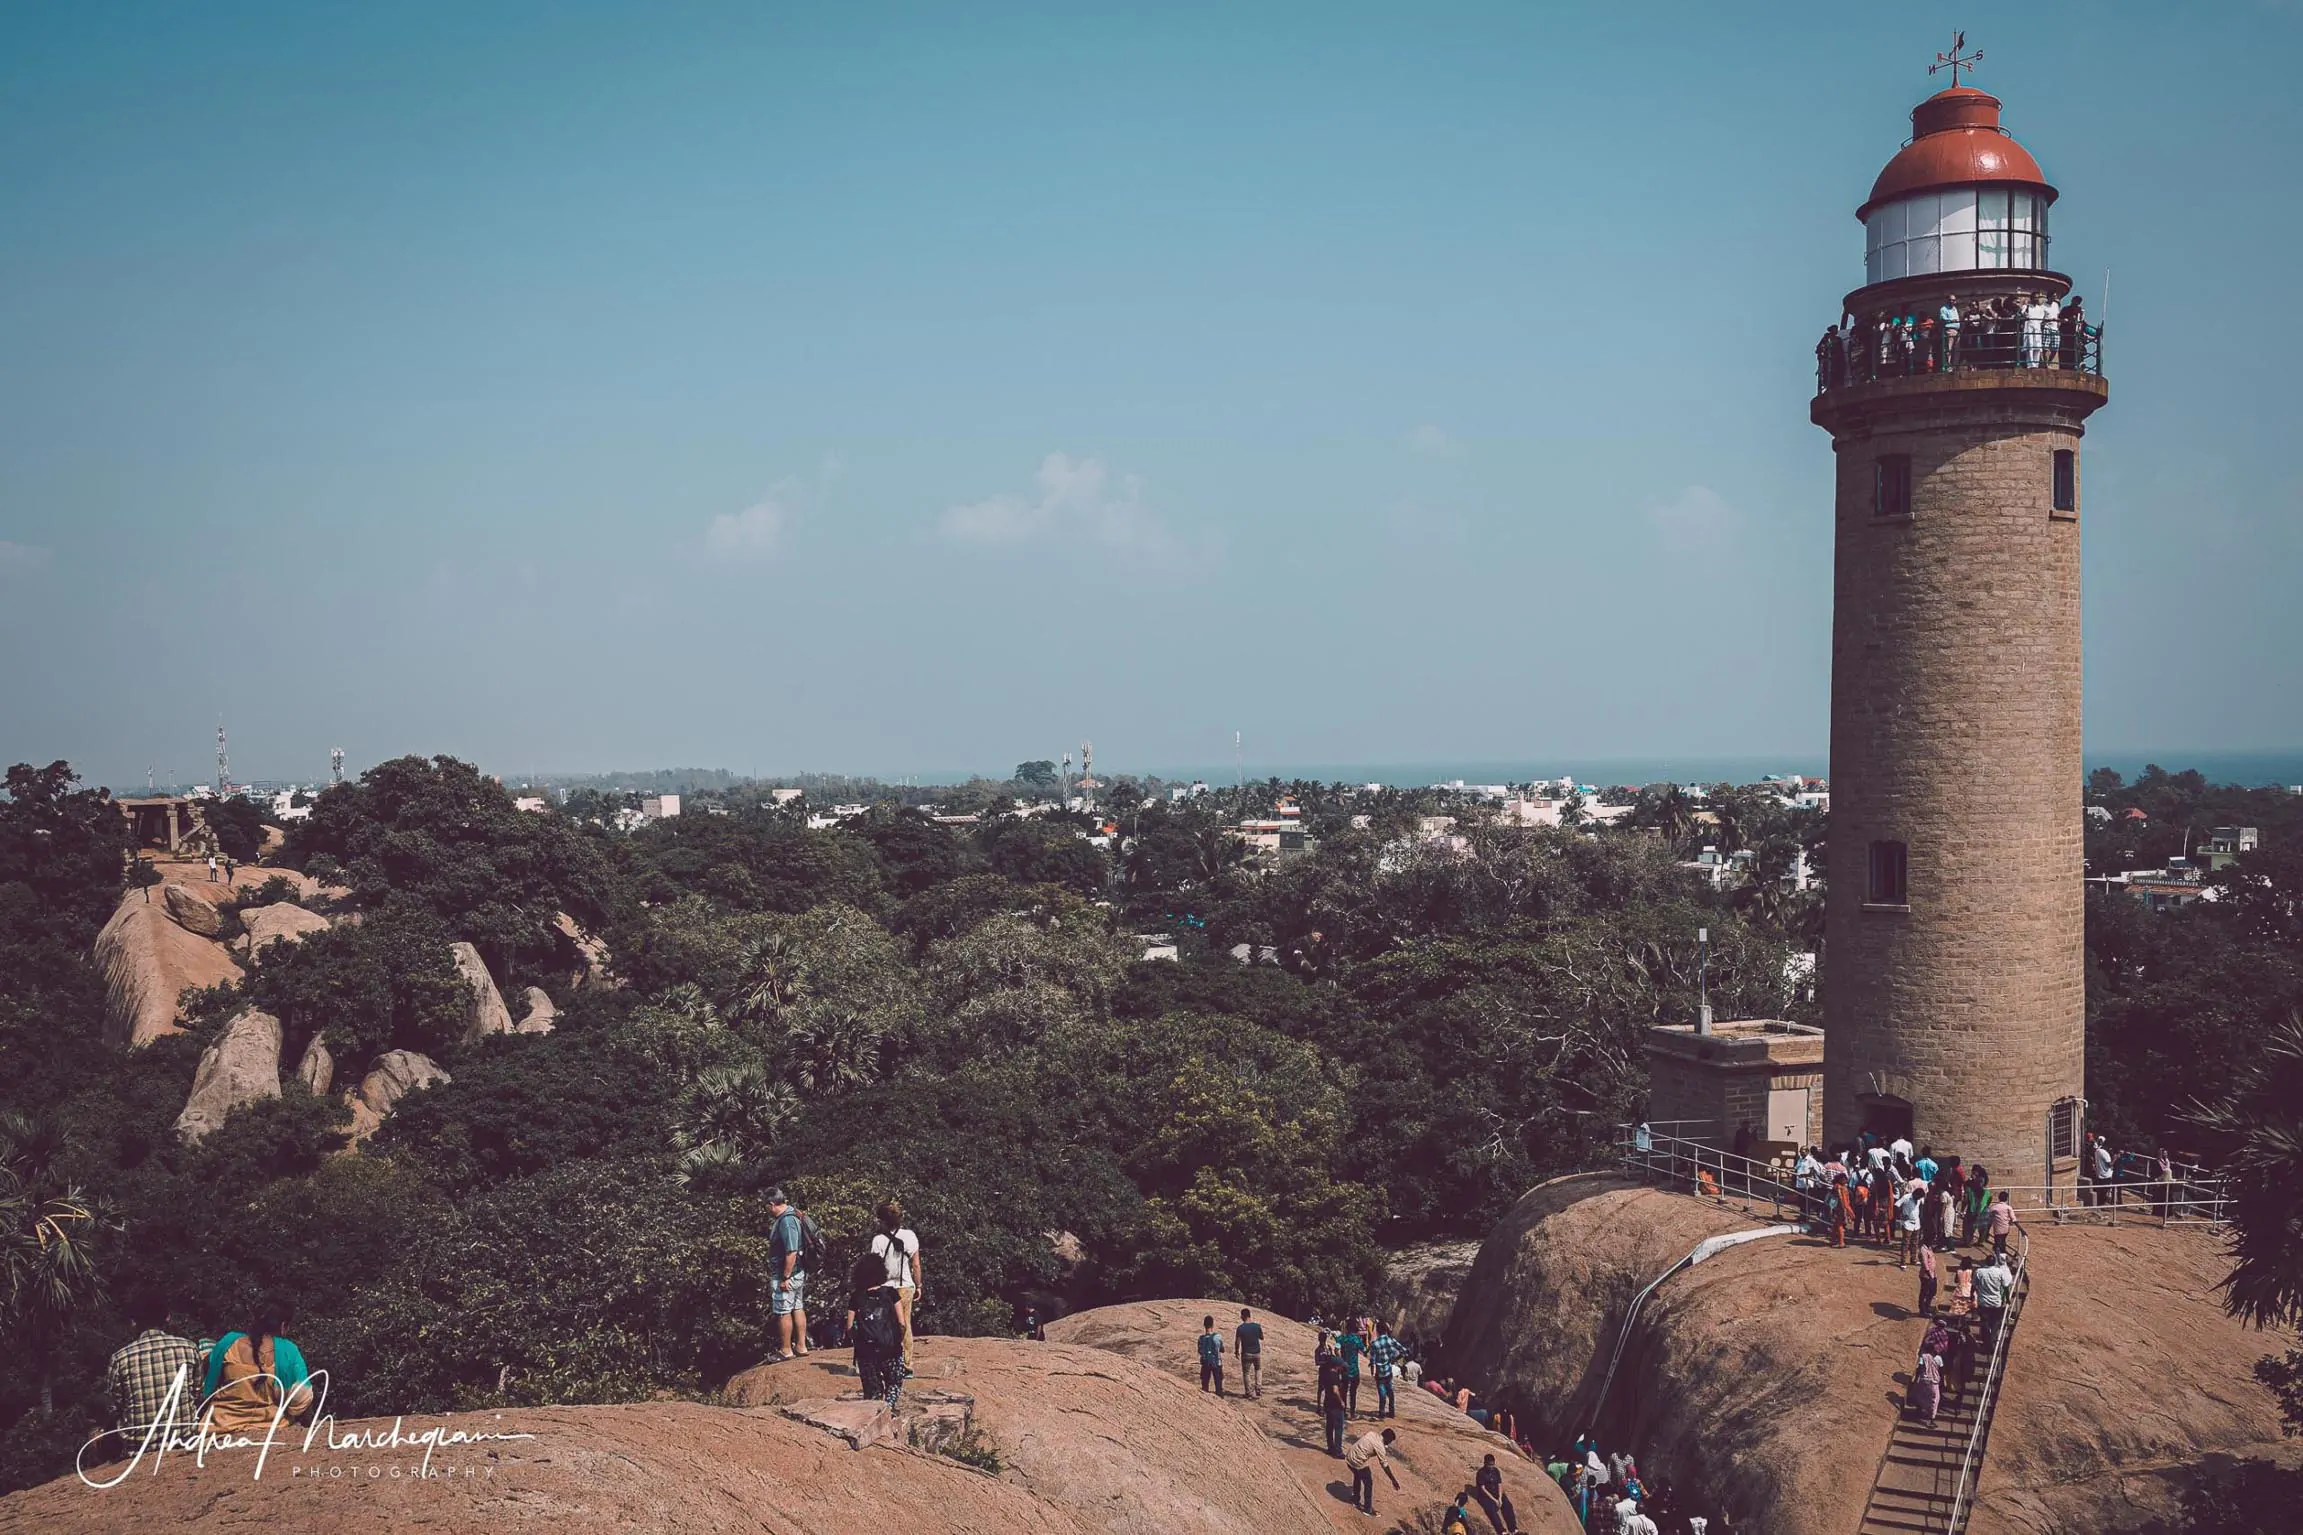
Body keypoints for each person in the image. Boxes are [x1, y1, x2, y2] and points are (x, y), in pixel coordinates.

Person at [103, 1292, 199, 1448]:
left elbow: (116, 1404)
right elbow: (195, 1393)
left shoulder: (120, 1358)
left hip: (140, 1445)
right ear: (168, 1317)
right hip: (184, 1437)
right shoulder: (188, 1348)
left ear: (133, 1322)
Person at [201, 1308, 315, 1434]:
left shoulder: (228, 1342)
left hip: (220, 1423)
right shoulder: (289, 1350)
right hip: (269, 1423)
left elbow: (208, 1374)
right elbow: (301, 1396)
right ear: (283, 1326)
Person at [844, 1247, 907, 1409]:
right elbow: (902, 1323)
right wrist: (896, 1340)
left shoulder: (856, 1296)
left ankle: (873, 1415)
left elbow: (849, 1328)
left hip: (866, 1351)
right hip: (890, 1348)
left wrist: (861, 1341)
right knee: (893, 1384)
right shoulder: (891, 1293)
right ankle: (890, 1409)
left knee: (872, 1391)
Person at [869, 1200, 921, 1367]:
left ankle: (885, 1361)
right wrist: (919, 1285)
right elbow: (916, 1264)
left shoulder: (878, 1240)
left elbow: (874, 1266)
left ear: (883, 1221)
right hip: (905, 1285)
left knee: (883, 1323)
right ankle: (906, 1364)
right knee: (904, 1323)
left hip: (884, 1287)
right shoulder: (910, 1236)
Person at [765, 1186, 810, 1362]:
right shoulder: (794, 1214)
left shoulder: (787, 1221)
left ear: (771, 1204)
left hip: (789, 1274)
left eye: (766, 1206)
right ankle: (801, 1345)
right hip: (797, 1272)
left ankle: (786, 1349)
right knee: (797, 1306)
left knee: (783, 1310)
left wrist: (785, 1277)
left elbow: (791, 1251)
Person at [1343, 1427, 1401, 1515]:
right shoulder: (1380, 1446)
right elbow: (1384, 1465)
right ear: (1387, 1439)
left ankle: (1355, 1499)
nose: (1389, 1443)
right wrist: (1393, 1480)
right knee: (1368, 1483)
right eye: (1390, 1441)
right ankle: (1367, 1509)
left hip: (1349, 1457)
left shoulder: (1371, 1433)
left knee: (1357, 1476)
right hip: (1357, 1461)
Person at [1973, 1251, 2014, 1350]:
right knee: (1995, 1323)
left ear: (1986, 1262)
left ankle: (1986, 1343)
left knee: (1984, 1323)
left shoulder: (1979, 1272)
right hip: (1996, 1302)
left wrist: (1972, 1297)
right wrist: (2008, 1299)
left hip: (1983, 1302)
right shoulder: (1999, 1272)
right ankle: (1992, 1341)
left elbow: (1974, 1286)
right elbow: (2005, 1287)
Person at [1369, 1318, 1403, 1418]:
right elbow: (1403, 1350)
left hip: (1379, 1373)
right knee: (1390, 1392)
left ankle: (1382, 1412)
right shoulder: (1391, 1341)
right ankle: (1392, 1412)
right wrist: (1394, 1359)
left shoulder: (1374, 1344)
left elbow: (1372, 1360)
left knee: (1382, 1393)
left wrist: (1372, 1371)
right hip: (1388, 1371)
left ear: (1378, 1331)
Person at [1337, 1316, 1367, 1418]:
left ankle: (1343, 1410)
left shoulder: (1342, 1338)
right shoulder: (1357, 1339)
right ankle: (1352, 1413)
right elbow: (1364, 1350)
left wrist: (1340, 1359)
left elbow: (1336, 1349)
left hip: (1344, 1368)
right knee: (1353, 1392)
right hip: (1354, 1369)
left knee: (1344, 1391)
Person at [1473, 1452, 1509, 1534]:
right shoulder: (1481, 1473)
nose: (1491, 1466)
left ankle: (1513, 1528)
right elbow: (1483, 1489)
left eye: (1492, 1464)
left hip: (1495, 1493)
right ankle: (1501, 1530)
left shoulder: (1496, 1471)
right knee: (1491, 1509)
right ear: (1485, 1463)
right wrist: (1495, 1500)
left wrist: (1499, 1498)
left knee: (1507, 1504)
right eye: (1489, 1465)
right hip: (1484, 1496)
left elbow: (1499, 1484)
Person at [1234, 1307, 1264, 1399]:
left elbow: (1237, 1341)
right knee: (1258, 1369)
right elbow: (1262, 1337)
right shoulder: (1257, 1326)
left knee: (1246, 1373)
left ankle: (1249, 1392)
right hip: (1256, 1352)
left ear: (1243, 1316)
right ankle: (1258, 1388)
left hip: (1246, 1353)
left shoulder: (1240, 1328)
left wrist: (1236, 1351)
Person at [1321, 1361, 1349, 1456]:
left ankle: (1330, 1447)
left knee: (1329, 1426)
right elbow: (1335, 1390)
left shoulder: (1325, 1374)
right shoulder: (1334, 1376)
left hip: (1327, 1403)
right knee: (1338, 1428)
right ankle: (1338, 1451)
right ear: (1337, 1366)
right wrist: (1341, 1401)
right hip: (1335, 1405)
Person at [1896, 1179, 1925, 1268]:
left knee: (1915, 1243)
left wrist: (1921, 1218)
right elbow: (1896, 1205)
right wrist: (1900, 1216)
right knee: (1906, 1243)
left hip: (1917, 1224)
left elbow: (1921, 1208)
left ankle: (1913, 1259)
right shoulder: (1906, 1197)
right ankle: (1903, 1262)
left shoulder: (1920, 1199)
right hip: (1907, 1223)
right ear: (1915, 1194)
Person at [1987, 1189, 2020, 1261]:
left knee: (1998, 1244)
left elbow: (1988, 1214)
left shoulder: (1994, 1207)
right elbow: (2013, 1218)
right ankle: (2002, 1258)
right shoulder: (2008, 1207)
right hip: (2005, 1229)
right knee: (2002, 1242)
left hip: (1998, 1229)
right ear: (2006, 1199)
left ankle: (1999, 1259)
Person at [1197, 1314, 1225, 1396]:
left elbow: (1200, 1351)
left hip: (1205, 1363)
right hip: (1217, 1363)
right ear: (1213, 1324)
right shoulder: (1217, 1337)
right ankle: (1219, 1397)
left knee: (1205, 1384)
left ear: (1204, 1325)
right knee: (1218, 1382)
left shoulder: (1201, 1338)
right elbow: (1222, 1349)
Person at [1965, 1165, 1992, 1247]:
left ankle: (1975, 1241)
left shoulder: (1980, 1189)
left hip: (1978, 1208)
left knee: (1976, 1226)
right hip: (1977, 1208)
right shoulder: (1973, 1189)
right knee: (1974, 1226)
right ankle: (1971, 1241)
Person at [1938, 295, 1960, 370]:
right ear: (1948, 300)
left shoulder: (1955, 309)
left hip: (1957, 330)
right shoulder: (1944, 309)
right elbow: (1943, 318)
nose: (1952, 301)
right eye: (1951, 300)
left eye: (1954, 300)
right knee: (1948, 349)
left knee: (1956, 349)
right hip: (1949, 330)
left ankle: (1954, 366)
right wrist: (1952, 320)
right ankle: (1948, 366)